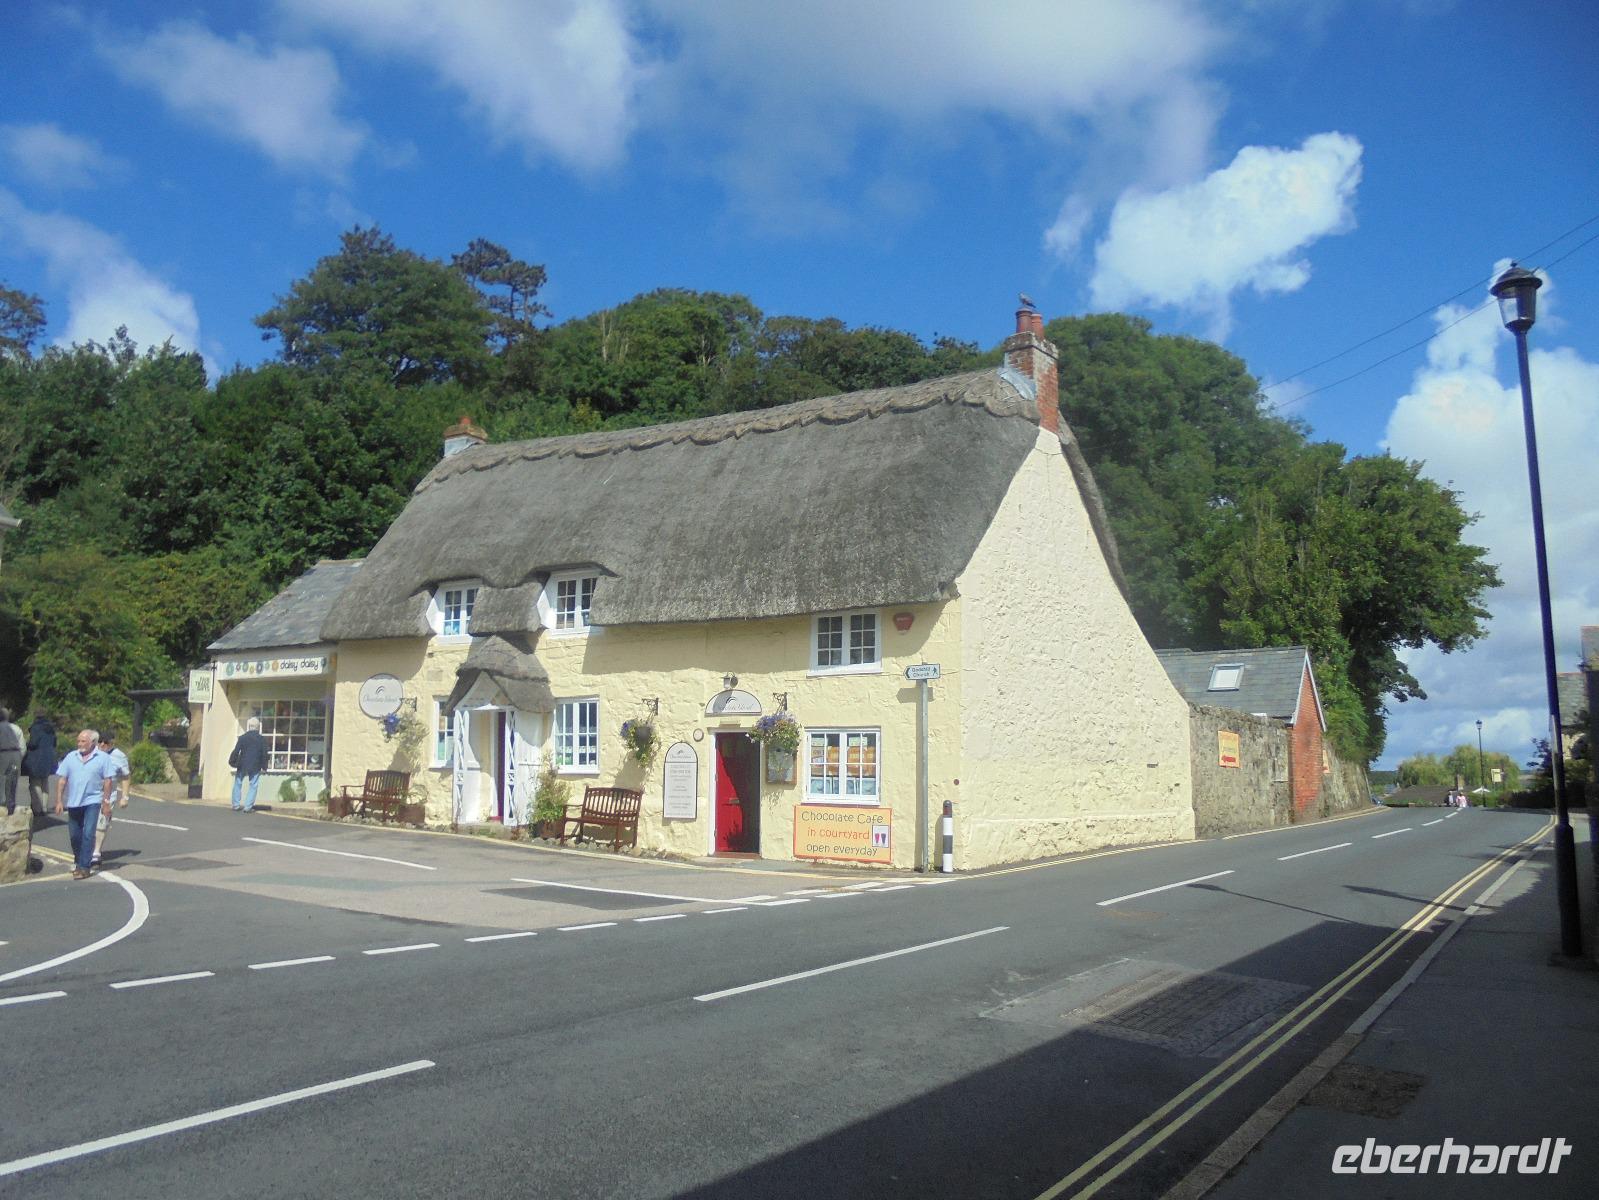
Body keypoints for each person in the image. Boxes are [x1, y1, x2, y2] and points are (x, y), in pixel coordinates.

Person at [53, 728, 115, 879]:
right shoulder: (70, 757)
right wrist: (59, 801)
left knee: (88, 833)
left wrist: (106, 802)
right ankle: (79, 861)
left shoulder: (103, 758)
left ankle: (85, 867)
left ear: (93, 742)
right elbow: (62, 780)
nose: (80, 744)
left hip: (93, 801)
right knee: (75, 836)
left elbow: (108, 781)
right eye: (78, 741)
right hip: (74, 802)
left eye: (83, 741)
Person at [92, 729, 131, 869]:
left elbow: (125, 777)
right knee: (87, 824)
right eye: (100, 741)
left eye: (106, 742)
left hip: (108, 796)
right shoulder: (91, 753)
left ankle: (96, 852)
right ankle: (86, 850)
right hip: (90, 795)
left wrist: (125, 797)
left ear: (112, 743)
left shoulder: (119, 756)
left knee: (101, 823)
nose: (102, 744)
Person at [21, 713, 57, 826]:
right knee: (45, 782)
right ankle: (45, 807)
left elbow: (33, 743)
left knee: (35, 783)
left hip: (37, 758)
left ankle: (37, 808)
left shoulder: (36, 728)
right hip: (49, 757)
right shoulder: (51, 729)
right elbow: (55, 743)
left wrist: (27, 744)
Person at [229, 716, 268, 812]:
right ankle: (248, 807)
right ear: (258, 727)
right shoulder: (261, 739)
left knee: (238, 783)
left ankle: (235, 805)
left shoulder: (242, 738)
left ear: (249, 726)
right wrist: (264, 766)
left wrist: (232, 761)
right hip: (255, 764)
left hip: (242, 764)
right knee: (253, 785)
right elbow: (264, 754)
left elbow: (236, 751)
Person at [0, 707, 22, 816]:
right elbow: (22, 746)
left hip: (3, 754)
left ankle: (3, 806)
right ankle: (11, 805)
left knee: (2, 782)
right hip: (15, 754)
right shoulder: (14, 727)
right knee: (12, 781)